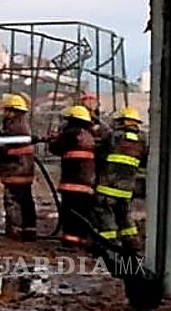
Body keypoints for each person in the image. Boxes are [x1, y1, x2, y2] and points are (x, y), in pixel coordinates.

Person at [93, 107, 148, 249]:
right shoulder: (143, 140)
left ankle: (109, 246)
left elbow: (98, 155)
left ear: (123, 121)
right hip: (126, 191)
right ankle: (132, 245)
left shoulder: (113, 136)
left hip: (106, 188)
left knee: (106, 218)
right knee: (125, 219)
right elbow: (144, 162)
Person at [48, 104, 97, 246]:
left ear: (72, 120)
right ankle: (81, 239)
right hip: (87, 184)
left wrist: (54, 139)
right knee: (82, 213)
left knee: (70, 214)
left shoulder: (71, 133)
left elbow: (55, 148)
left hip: (72, 183)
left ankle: (70, 242)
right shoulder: (89, 136)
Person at [0, 94, 37, 241]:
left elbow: (5, 147)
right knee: (26, 201)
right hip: (24, 171)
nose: (4, 113)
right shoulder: (21, 125)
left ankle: (15, 231)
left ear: (13, 111)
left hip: (15, 171)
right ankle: (29, 230)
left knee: (13, 201)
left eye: (6, 110)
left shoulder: (14, 126)